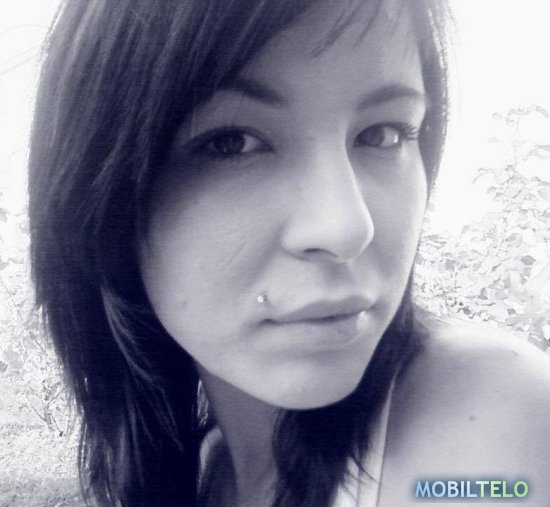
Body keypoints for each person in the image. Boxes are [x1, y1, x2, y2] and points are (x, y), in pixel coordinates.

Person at [28, 0, 550, 506]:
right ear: (99, 195)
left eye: (383, 133)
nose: (347, 228)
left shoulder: (491, 424)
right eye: (231, 142)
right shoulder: (206, 466)